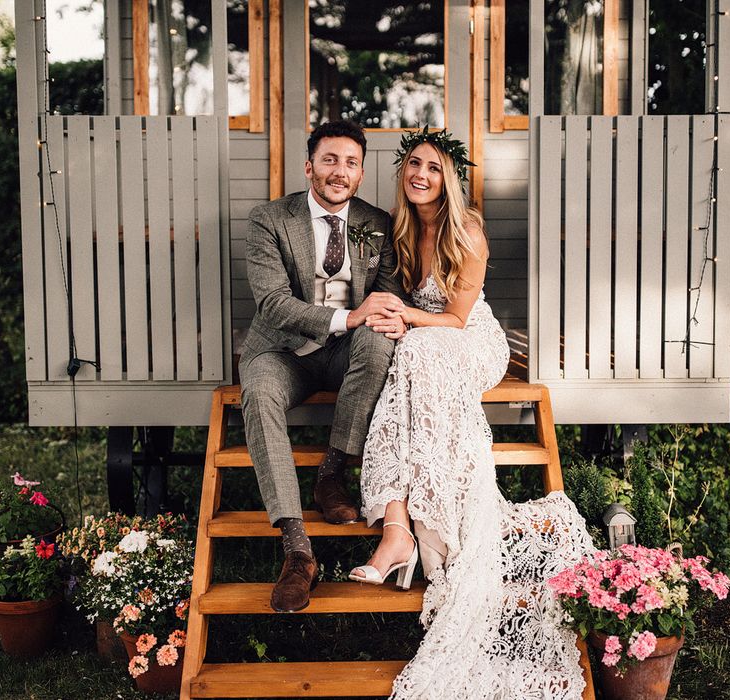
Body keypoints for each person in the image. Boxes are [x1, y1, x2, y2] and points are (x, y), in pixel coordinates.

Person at [349, 128, 595, 699]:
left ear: (449, 179)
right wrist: (394, 317)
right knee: (408, 361)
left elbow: (458, 321)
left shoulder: (468, 230)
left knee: (420, 351)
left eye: (433, 168)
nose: (421, 175)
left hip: (473, 341)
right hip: (423, 341)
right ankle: (398, 529)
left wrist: (406, 320)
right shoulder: (401, 226)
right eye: (414, 164)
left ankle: (416, 530)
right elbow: (399, 301)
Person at [239, 120, 408, 613]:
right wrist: (347, 316)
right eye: (330, 160)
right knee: (259, 393)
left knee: (378, 345)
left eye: (351, 163)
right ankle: (297, 552)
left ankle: (331, 475)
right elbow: (271, 302)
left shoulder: (377, 223)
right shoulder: (269, 219)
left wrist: (388, 317)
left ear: (360, 173)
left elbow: (391, 291)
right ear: (310, 165)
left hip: (345, 352)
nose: (340, 172)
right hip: (282, 349)